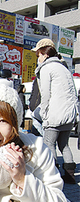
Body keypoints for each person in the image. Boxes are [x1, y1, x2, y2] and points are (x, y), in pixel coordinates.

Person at [32, 38, 78, 184]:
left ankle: (52, 175)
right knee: (64, 145)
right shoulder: (64, 68)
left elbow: (46, 94)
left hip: (55, 115)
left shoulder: (47, 68)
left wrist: (44, 113)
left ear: (44, 54)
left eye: (38, 55)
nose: (38, 58)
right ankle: (70, 176)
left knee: (49, 143)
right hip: (69, 115)